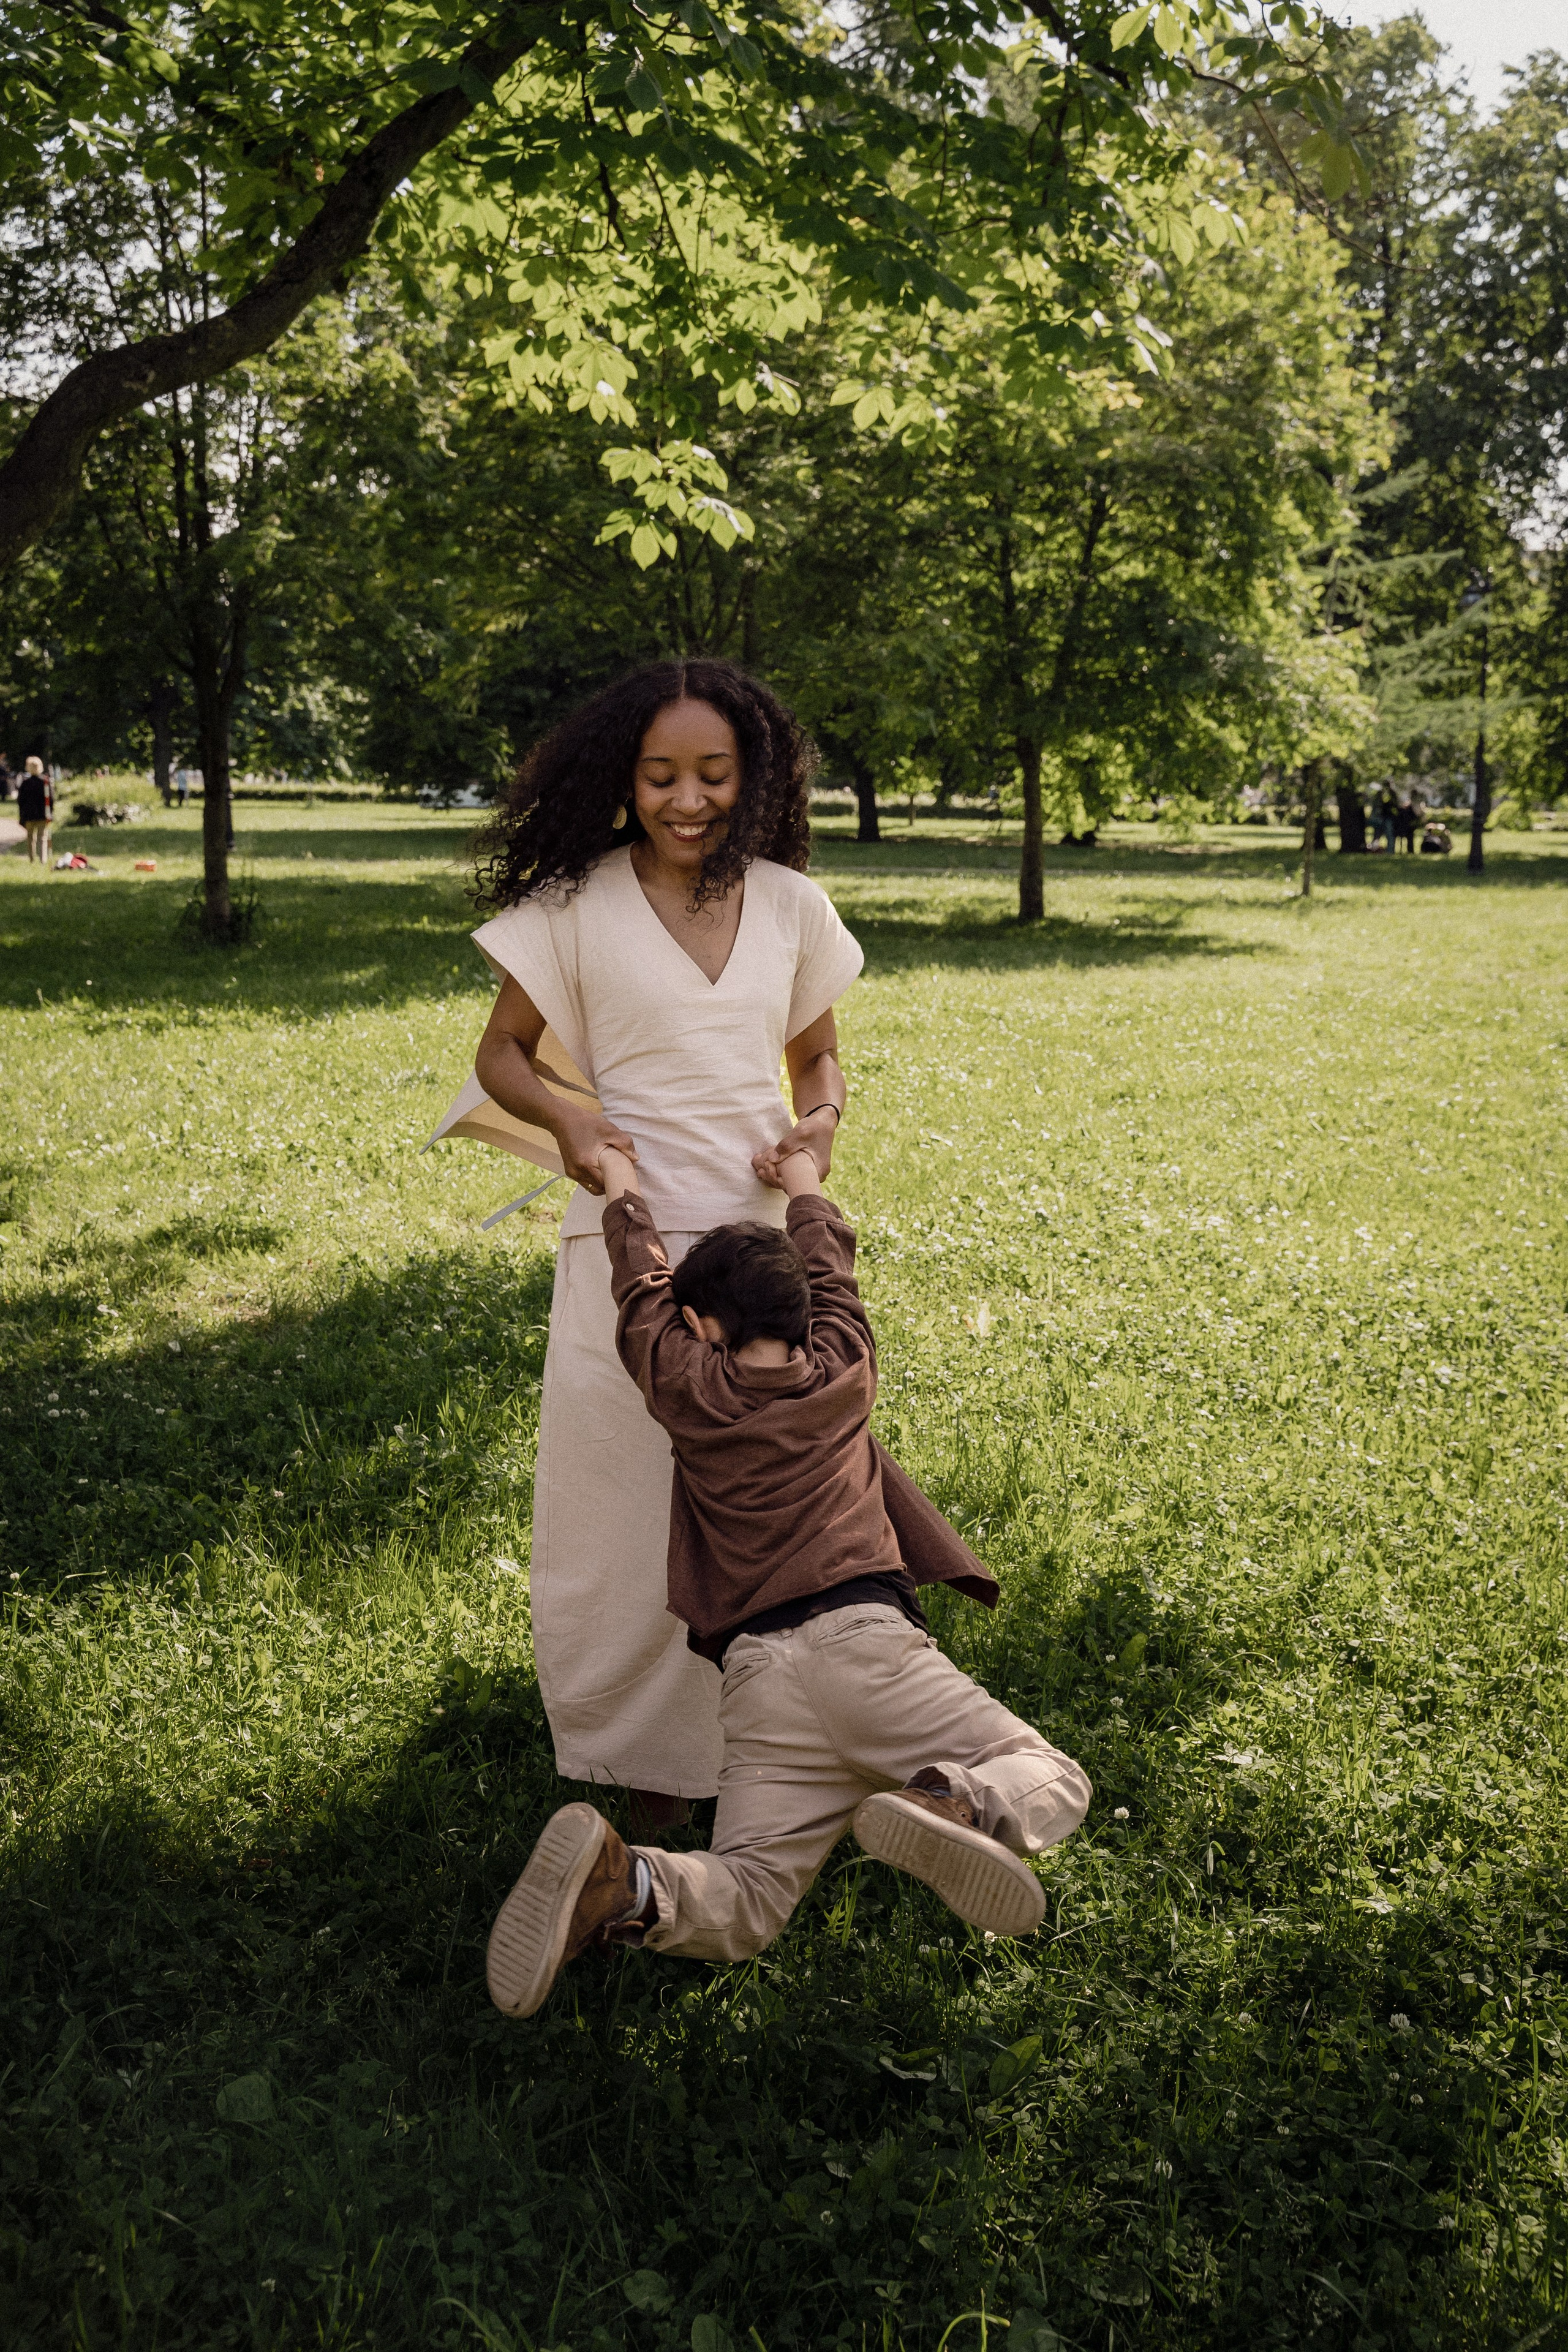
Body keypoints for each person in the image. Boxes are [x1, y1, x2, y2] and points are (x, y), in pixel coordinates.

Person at [485, 1143, 1092, 2015]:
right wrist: (800, 1177)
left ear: (701, 1327)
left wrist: (623, 1188)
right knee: (1050, 1773)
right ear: (805, 1316)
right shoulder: (845, 1366)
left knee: (753, 1896)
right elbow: (831, 1265)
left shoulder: (686, 1383)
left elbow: (640, 1291)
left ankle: (629, 1887)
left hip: (759, 1679)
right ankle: (955, 1802)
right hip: (869, 1649)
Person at [469, 661, 864, 1834]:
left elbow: (819, 1063)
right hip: (628, 1238)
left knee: (776, 1506)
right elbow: (501, 1054)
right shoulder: (573, 905)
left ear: (753, 779)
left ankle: (784, 1749)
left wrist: (823, 1126)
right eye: (661, 775)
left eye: (712, 774)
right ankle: (651, 1769)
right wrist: (571, 1120)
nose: (687, 799)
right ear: (622, 779)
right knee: (633, 1508)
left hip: (758, 1257)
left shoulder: (791, 904)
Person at [17, 757, 53, 864]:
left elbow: (21, 801)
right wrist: (50, 813)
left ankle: (32, 860)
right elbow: (51, 800)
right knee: (42, 838)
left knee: (30, 839)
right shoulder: (45, 782)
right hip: (42, 815)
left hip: (29, 816)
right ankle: (43, 860)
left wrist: (22, 815)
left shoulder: (25, 783)